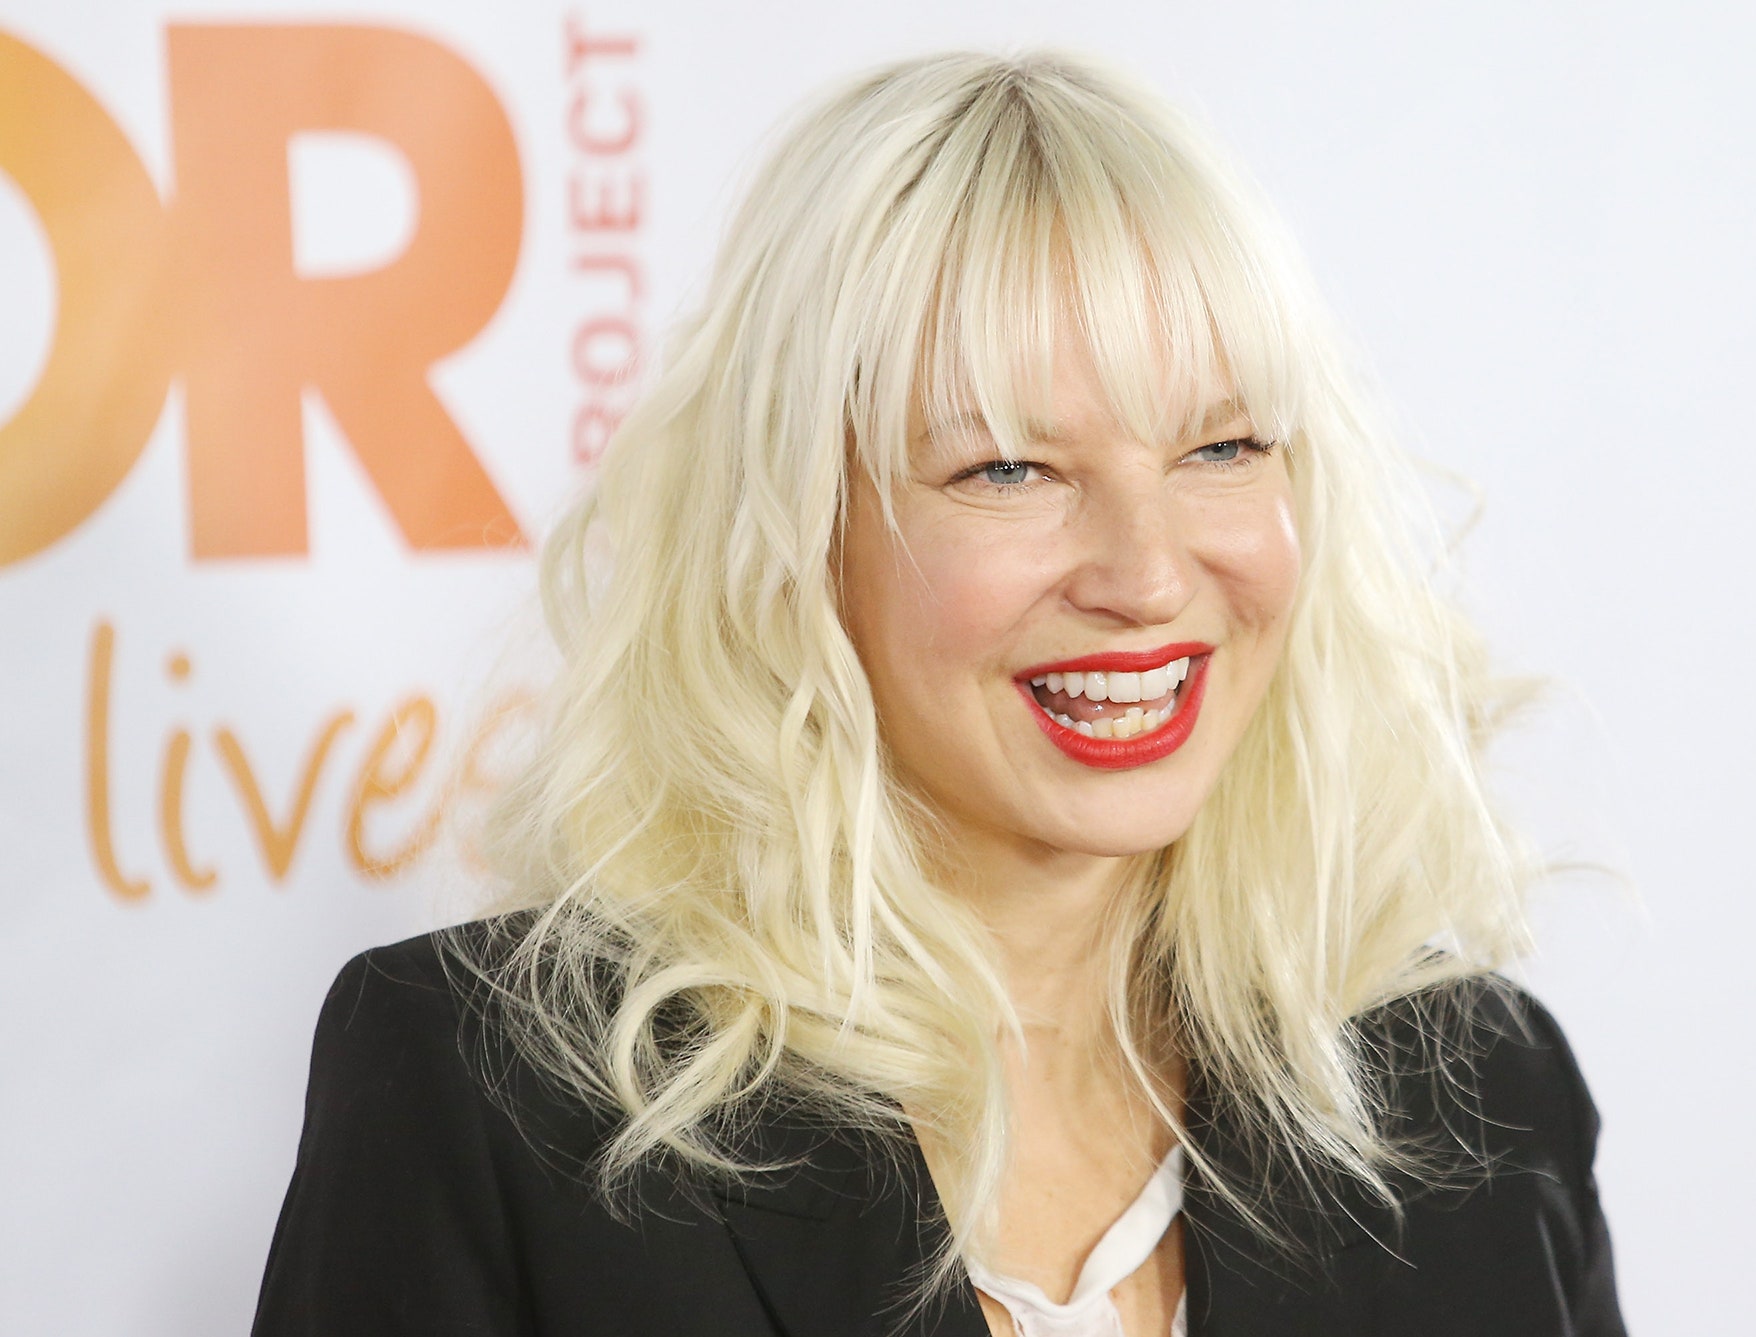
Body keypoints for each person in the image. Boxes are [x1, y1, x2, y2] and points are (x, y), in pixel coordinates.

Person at [252, 50, 1623, 1337]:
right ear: (799, 537)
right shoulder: (487, 1094)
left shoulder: (1488, 1097)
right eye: (1008, 469)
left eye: (1221, 448)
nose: (1148, 576)